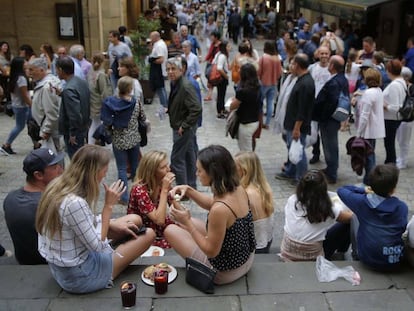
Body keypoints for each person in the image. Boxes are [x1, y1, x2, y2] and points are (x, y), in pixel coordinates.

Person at [36, 145, 155, 294]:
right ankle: (110, 265)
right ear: (93, 173)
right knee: (149, 234)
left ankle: (117, 248)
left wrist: (113, 224)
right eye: (104, 172)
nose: (103, 177)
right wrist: (108, 206)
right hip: (80, 276)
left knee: (134, 219)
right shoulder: (74, 203)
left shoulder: (57, 186)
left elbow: (84, 221)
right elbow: (97, 246)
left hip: (61, 268)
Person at [165, 145, 256, 285]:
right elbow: (212, 203)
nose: (196, 174)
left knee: (170, 230)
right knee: (182, 223)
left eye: (200, 170)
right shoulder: (238, 188)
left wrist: (188, 223)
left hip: (225, 272)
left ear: (212, 173)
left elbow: (211, 252)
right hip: (247, 258)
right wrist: (188, 190)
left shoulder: (219, 210)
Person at [337, 164, 408, 271]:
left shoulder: (361, 202)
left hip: (368, 260)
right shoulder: (402, 207)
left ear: (371, 186)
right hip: (394, 260)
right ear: (393, 190)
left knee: (355, 216)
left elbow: (342, 190)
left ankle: (355, 255)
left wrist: (364, 190)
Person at [3, 148, 64, 265]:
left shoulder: (10, 198)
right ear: (39, 175)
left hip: (23, 260)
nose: (61, 170)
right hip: (49, 263)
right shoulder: (51, 204)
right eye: (55, 167)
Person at [280, 169, 352, 261]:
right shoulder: (328, 209)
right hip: (314, 258)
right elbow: (351, 218)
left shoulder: (292, 200)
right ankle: (341, 253)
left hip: (288, 253)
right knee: (346, 224)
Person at [102, 76, 145, 205]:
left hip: (119, 141)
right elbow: (142, 117)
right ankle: (138, 194)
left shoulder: (110, 103)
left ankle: (124, 197)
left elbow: (106, 122)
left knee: (121, 169)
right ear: (130, 88)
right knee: (135, 168)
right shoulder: (135, 103)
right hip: (133, 139)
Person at [275, 53, 315, 185]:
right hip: (291, 122)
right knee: (292, 149)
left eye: (292, 64)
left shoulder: (306, 83)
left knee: (299, 151)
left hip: (297, 125)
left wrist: (297, 128)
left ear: (297, 65)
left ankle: (301, 178)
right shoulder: (299, 79)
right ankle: (291, 172)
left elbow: (302, 109)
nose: (290, 66)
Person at [128, 151, 176, 248]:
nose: (168, 169)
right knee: (175, 244)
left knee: (185, 233)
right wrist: (165, 191)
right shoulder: (139, 190)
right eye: (163, 167)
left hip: (159, 228)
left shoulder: (161, 183)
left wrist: (173, 192)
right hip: (144, 231)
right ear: (152, 171)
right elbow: (159, 220)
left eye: (167, 165)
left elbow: (178, 212)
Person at [312, 55, 349, 184]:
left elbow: (331, 102)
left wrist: (323, 116)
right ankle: (330, 168)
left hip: (329, 120)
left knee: (329, 146)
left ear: (332, 66)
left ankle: (332, 173)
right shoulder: (341, 79)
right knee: (330, 144)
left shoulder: (334, 82)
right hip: (333, 119)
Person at [166, 57, 202, 188]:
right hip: (181, 125)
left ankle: (182, 187)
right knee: (188, 155)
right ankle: (191, 185)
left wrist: (184, 125)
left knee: (176, 158)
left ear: (181, 70)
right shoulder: (175, 83)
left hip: (183, 128)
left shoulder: (186, 86)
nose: (170, 72)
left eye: (173, 69)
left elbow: (196, 108)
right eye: (168, 69)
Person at [235, 151, 274, 253]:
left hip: (255, 245)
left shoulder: (246, 193)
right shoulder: (264, 187)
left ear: (244, 170)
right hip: (267, 239)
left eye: (235, 167)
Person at [354, 68, 385, 185]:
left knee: (368, 156)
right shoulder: (378, 91)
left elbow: (364, 115)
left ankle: (369, 181)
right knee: (370, 153)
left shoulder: (369, 93)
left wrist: (359, 133)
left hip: (368, 129)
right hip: (374, 128)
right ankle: (370, 179)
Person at [57, 56, 90, 159]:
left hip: (75, 131)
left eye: (57, 70)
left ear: (61, 70)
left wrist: (73, 133)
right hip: (84, 126)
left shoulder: (69, 89)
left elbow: (74, 114)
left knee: (76, 160)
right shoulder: (81, 82)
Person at [28, 57, 63, 153]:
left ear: (41, 70)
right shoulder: (50, 81)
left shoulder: (46, 87)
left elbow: (52, 111)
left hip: (48, 128)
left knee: (52, 155)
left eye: (31, 69)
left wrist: (46, 130)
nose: (29, 73)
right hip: (47, 125)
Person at [0, 57, 31, 155]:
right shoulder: (21, 78)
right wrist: (32, 105)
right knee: (20, 126)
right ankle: (6, 145)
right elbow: (25, 95)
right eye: (24, 62)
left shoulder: (14, 76)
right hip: (22, 106)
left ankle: (36, 144)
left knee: (29, 124)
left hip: (17, 105)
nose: (26, 63)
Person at [230, 63, 261, 151]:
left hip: (245, 122)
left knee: (245, 149)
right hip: (255, 119)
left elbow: (233, 106)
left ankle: (249, 164)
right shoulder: (257, 86)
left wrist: (231, 103)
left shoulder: (243, 91)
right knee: (250, 144)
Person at [308, 46, 332, 165]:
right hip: (313, 103)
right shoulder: (312, 68)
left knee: (326, 132)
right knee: (313, 131)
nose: (324, 56)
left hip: (326, 105)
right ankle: (315, 152)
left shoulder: (332, 69)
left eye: (326, 53)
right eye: (321, 53)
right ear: (318, 54)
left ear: (329, 55)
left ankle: (328, 156)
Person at [382, 59, 406, 165]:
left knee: (389, 143)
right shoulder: (401, 82)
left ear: (389, 71)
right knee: (389, 143)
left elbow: (395, 107)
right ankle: (390, 161)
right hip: (394, 118)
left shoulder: (394, 85)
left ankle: (390, 163)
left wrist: (384, 106)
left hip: (391, 118)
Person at [87, 53, 113, 145]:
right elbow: (104, 92)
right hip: (100, 105)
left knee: (95, 124)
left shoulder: (91, 73)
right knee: (104, 126)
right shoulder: (101, 75)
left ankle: (91, 144)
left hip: (93, 103)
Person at [258, 41, 282, 129]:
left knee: (259, 102)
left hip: (264, 83)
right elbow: (280, 73)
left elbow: (258, 71)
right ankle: (267, 122)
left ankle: (259, 121)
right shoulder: (277, 59)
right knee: (270, 102)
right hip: (274, 83)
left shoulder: (264, 58)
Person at [396, 67, 414, 169]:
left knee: (405, 141)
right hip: (401, 117)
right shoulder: (402, 86)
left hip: (407, 118)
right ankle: (401, 158)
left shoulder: (411, 88)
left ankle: (403, 161)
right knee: (400, 139)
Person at [149, 31, 168, 109]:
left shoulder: (159, 46)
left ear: (155, 37)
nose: (150, 39)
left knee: (160, 88)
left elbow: (161, 59)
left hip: (159, 70)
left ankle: (164, 106)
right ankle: (164, 105)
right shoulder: (157, 44)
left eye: (151, 37)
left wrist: (152, 60)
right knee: (161, 88)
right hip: (159, 70)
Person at [213, 41, 231, 119]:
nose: (229, 48)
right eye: (228, 46)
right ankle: (220, 111)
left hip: (221, 77)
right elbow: (219, 68)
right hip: (221, 78)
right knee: (221, 95)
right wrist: (226, 76)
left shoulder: (219, 54)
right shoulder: (222, 56)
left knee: (222, 94)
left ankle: (222, 109)